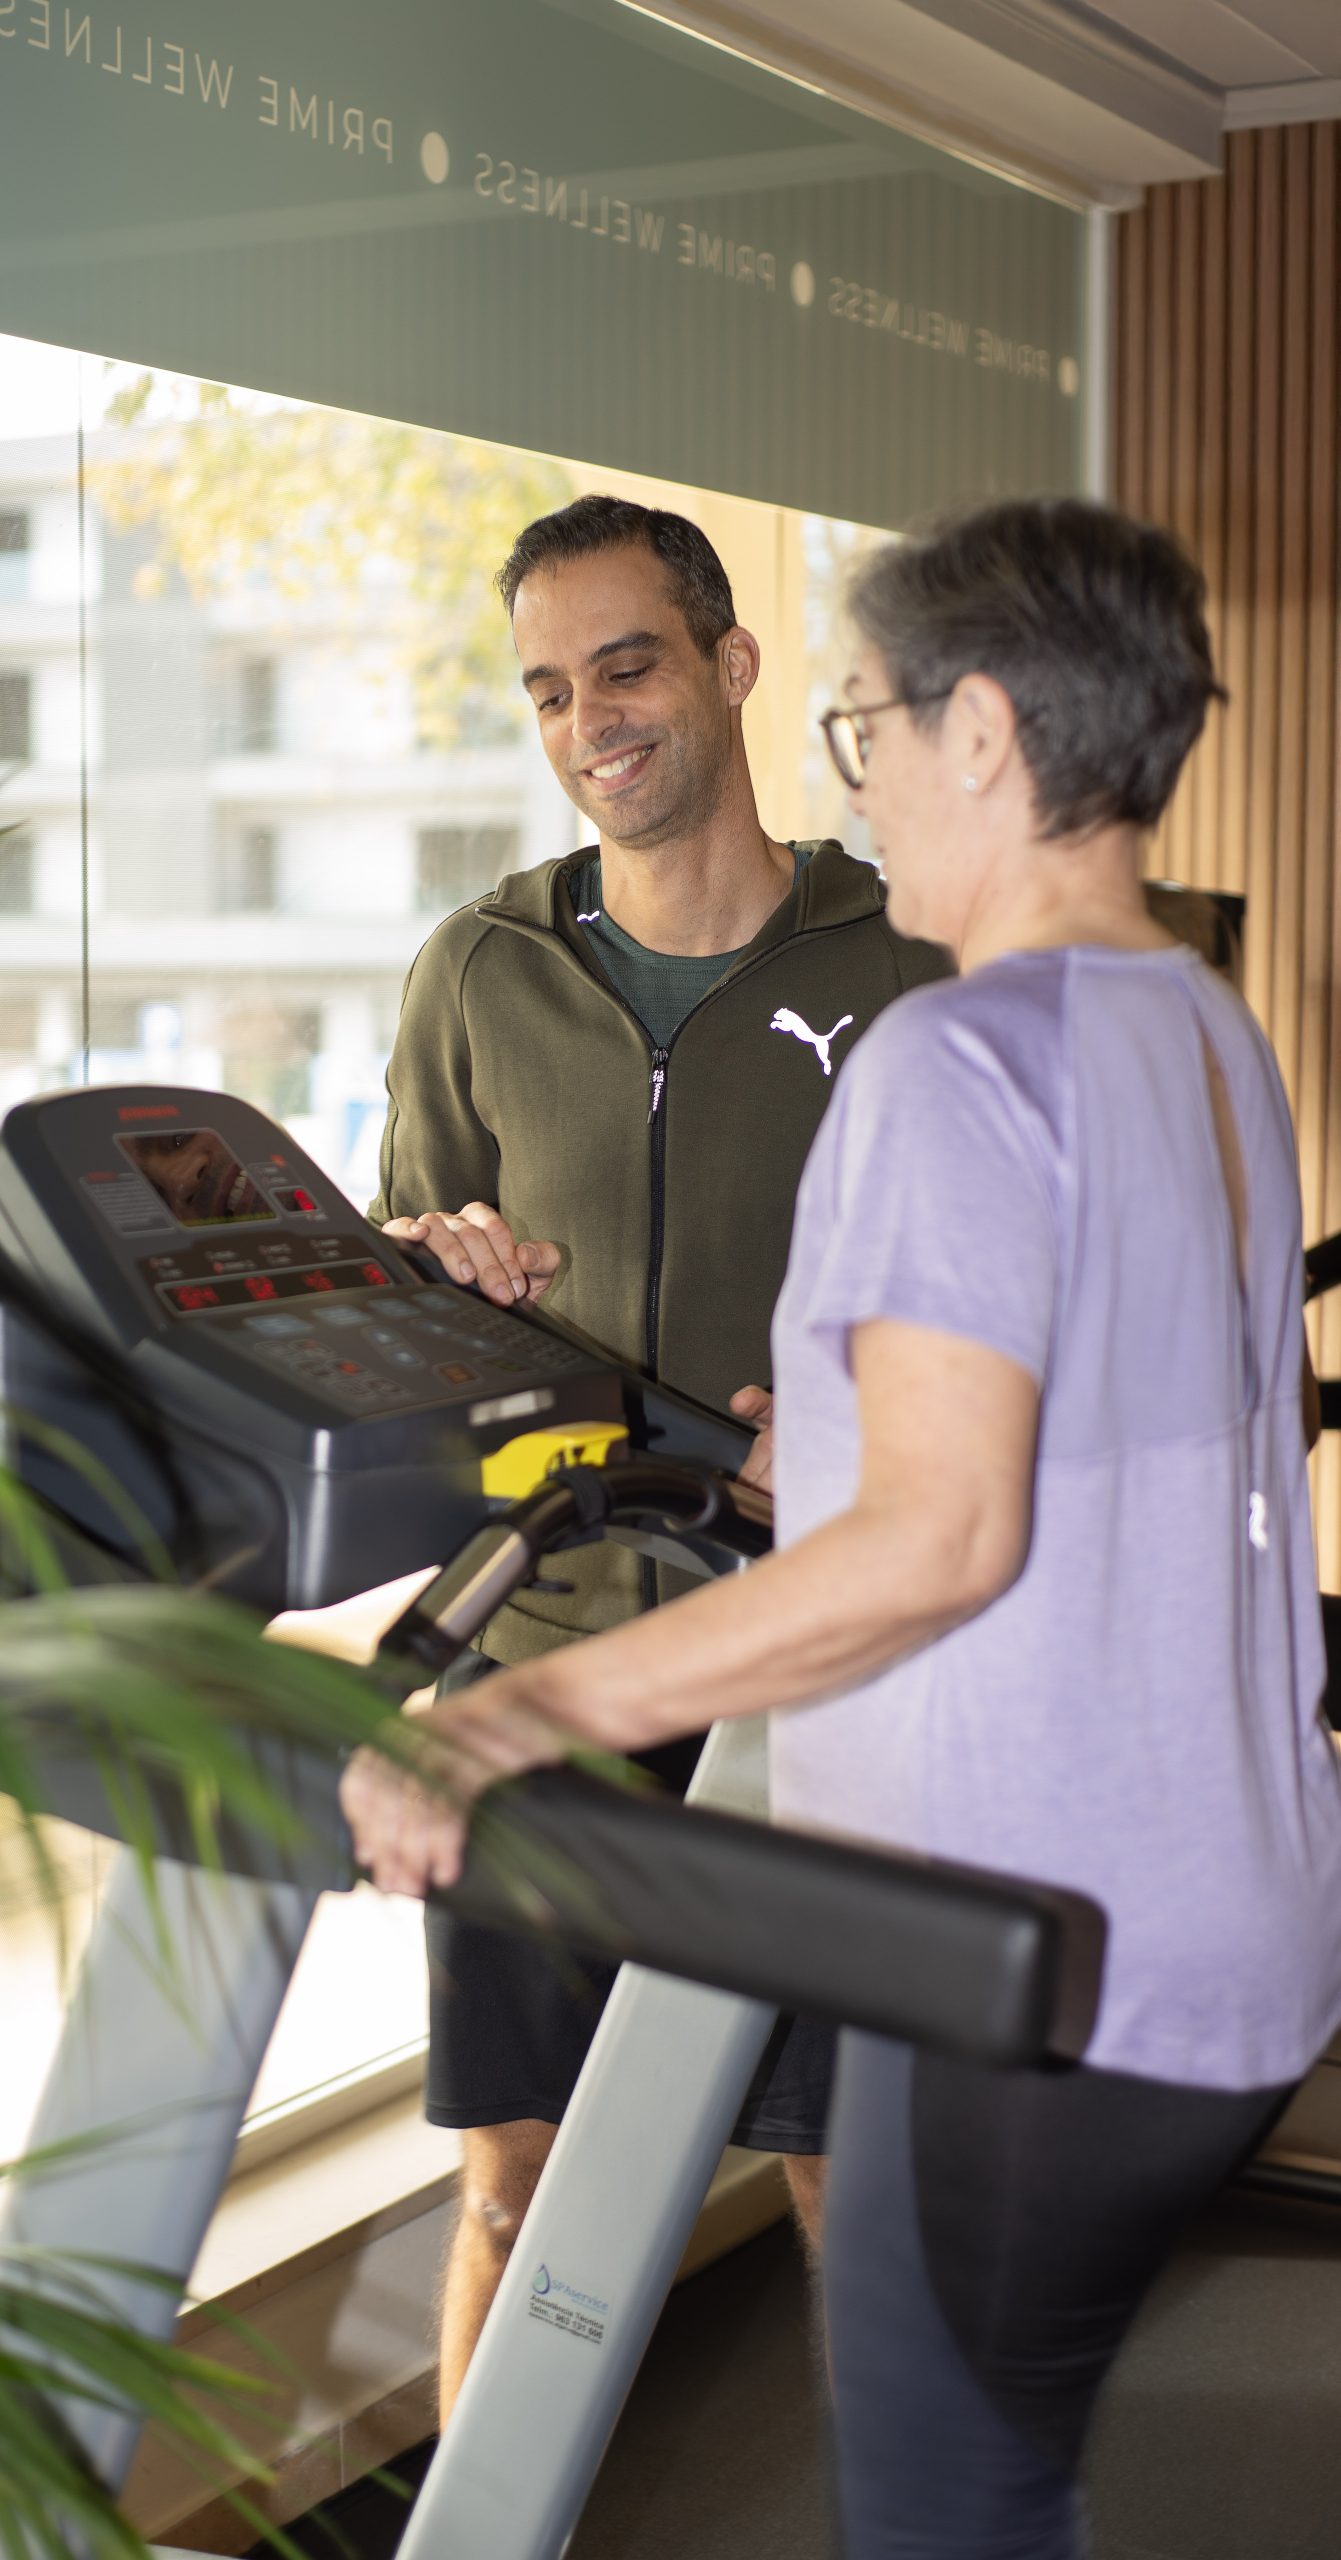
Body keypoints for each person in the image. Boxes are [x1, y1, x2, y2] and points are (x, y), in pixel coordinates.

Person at [344, 494, 1341, 2558]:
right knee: (988, 2478)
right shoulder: (1199, 1028)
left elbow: (935, 1537)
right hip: (1222, 1936)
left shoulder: (953, 1045)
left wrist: (493, 1724)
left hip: (1016, 1941)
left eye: (870, 722)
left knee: (946, 2503)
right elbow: (1095, 1439)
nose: (860, 771)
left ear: (983, 731)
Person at [370, 493, 947, 2418]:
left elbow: (994, 1331)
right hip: (537, 1657)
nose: (587, 719)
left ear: (724, 663)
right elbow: (393, 1281)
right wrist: (434, 1270)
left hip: (808, 1678)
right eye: (548, 687)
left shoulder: (908, 971)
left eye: (624, 664)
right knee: (515, 2187)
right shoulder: (480, 967)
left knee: (840, 2175)